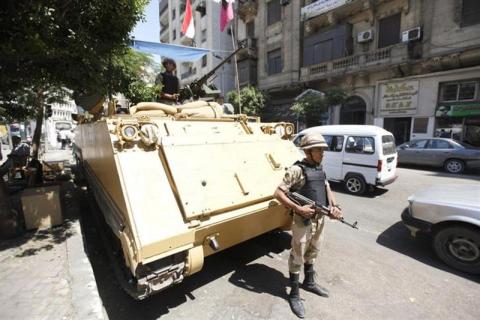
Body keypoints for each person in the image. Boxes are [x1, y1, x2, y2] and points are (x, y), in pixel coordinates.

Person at [274, 133, 343, 319]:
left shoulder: (319, 168)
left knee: (313, 250)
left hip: (320, 218)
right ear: (308, 151)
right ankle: (294, 294)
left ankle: (309, 282)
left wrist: (334, 207)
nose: (323, 153)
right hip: (302, 220)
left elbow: (327, 187)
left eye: (323, 149)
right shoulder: (297, 170)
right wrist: (299, 208)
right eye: (319, 149)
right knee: (298, 254)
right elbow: (278, 193)